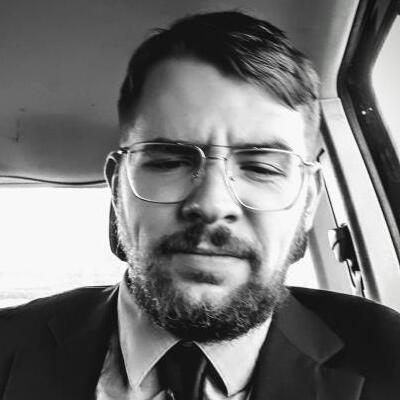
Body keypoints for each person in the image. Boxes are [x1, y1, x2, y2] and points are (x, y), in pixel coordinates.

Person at [1, 10, 400, 400]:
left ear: (308, 200)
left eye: (261, 168)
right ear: (118, 188)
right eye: (169, 161)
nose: (211, 203)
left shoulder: (390, 356)